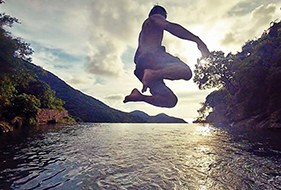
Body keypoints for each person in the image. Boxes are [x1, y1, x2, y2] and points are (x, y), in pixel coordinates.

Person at [123, 5, 210, 108]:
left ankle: (139, 96)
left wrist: (143, 72)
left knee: (170, 100)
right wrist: (197, 40)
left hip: (141, 67)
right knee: (186, 72)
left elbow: (135, 59)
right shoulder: (154, 18)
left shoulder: (143, 34)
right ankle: (153, 74)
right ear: (161, 15)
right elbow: (169, 26)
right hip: (152, 58)